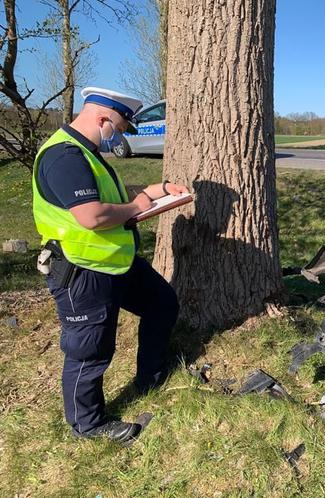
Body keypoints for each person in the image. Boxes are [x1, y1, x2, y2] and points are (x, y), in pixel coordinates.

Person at [32, 87, 188, 442]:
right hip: (82, 271)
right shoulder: (64, 157)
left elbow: (107, 196)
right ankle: (87, 425)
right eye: (118, 127)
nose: (118, 135)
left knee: (162, 303)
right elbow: (91, 215)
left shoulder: (85, 153)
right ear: (103, 119)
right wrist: (137, 208)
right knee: (90, 351)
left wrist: (157, 189)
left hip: (116, 264)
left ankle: (152, 374)